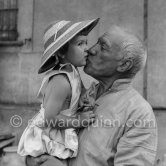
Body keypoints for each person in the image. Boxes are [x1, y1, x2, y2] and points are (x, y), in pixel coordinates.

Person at [26, 25, 158, 166]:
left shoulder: (138, 113)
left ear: (124, 65)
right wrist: (33, 159)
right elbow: (46, 133)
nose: (91, 49)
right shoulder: (80, 92)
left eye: (103, 47)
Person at [17, 18, 99, 164]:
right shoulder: (60, 81)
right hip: (48, 138)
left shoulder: (73, 71)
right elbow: (50, 119)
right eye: (80, 44)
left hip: (61, 130)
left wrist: (85, 97)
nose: (87, 48)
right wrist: (80, 120)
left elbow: (75, 97)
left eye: (86, 42)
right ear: (61, 52)